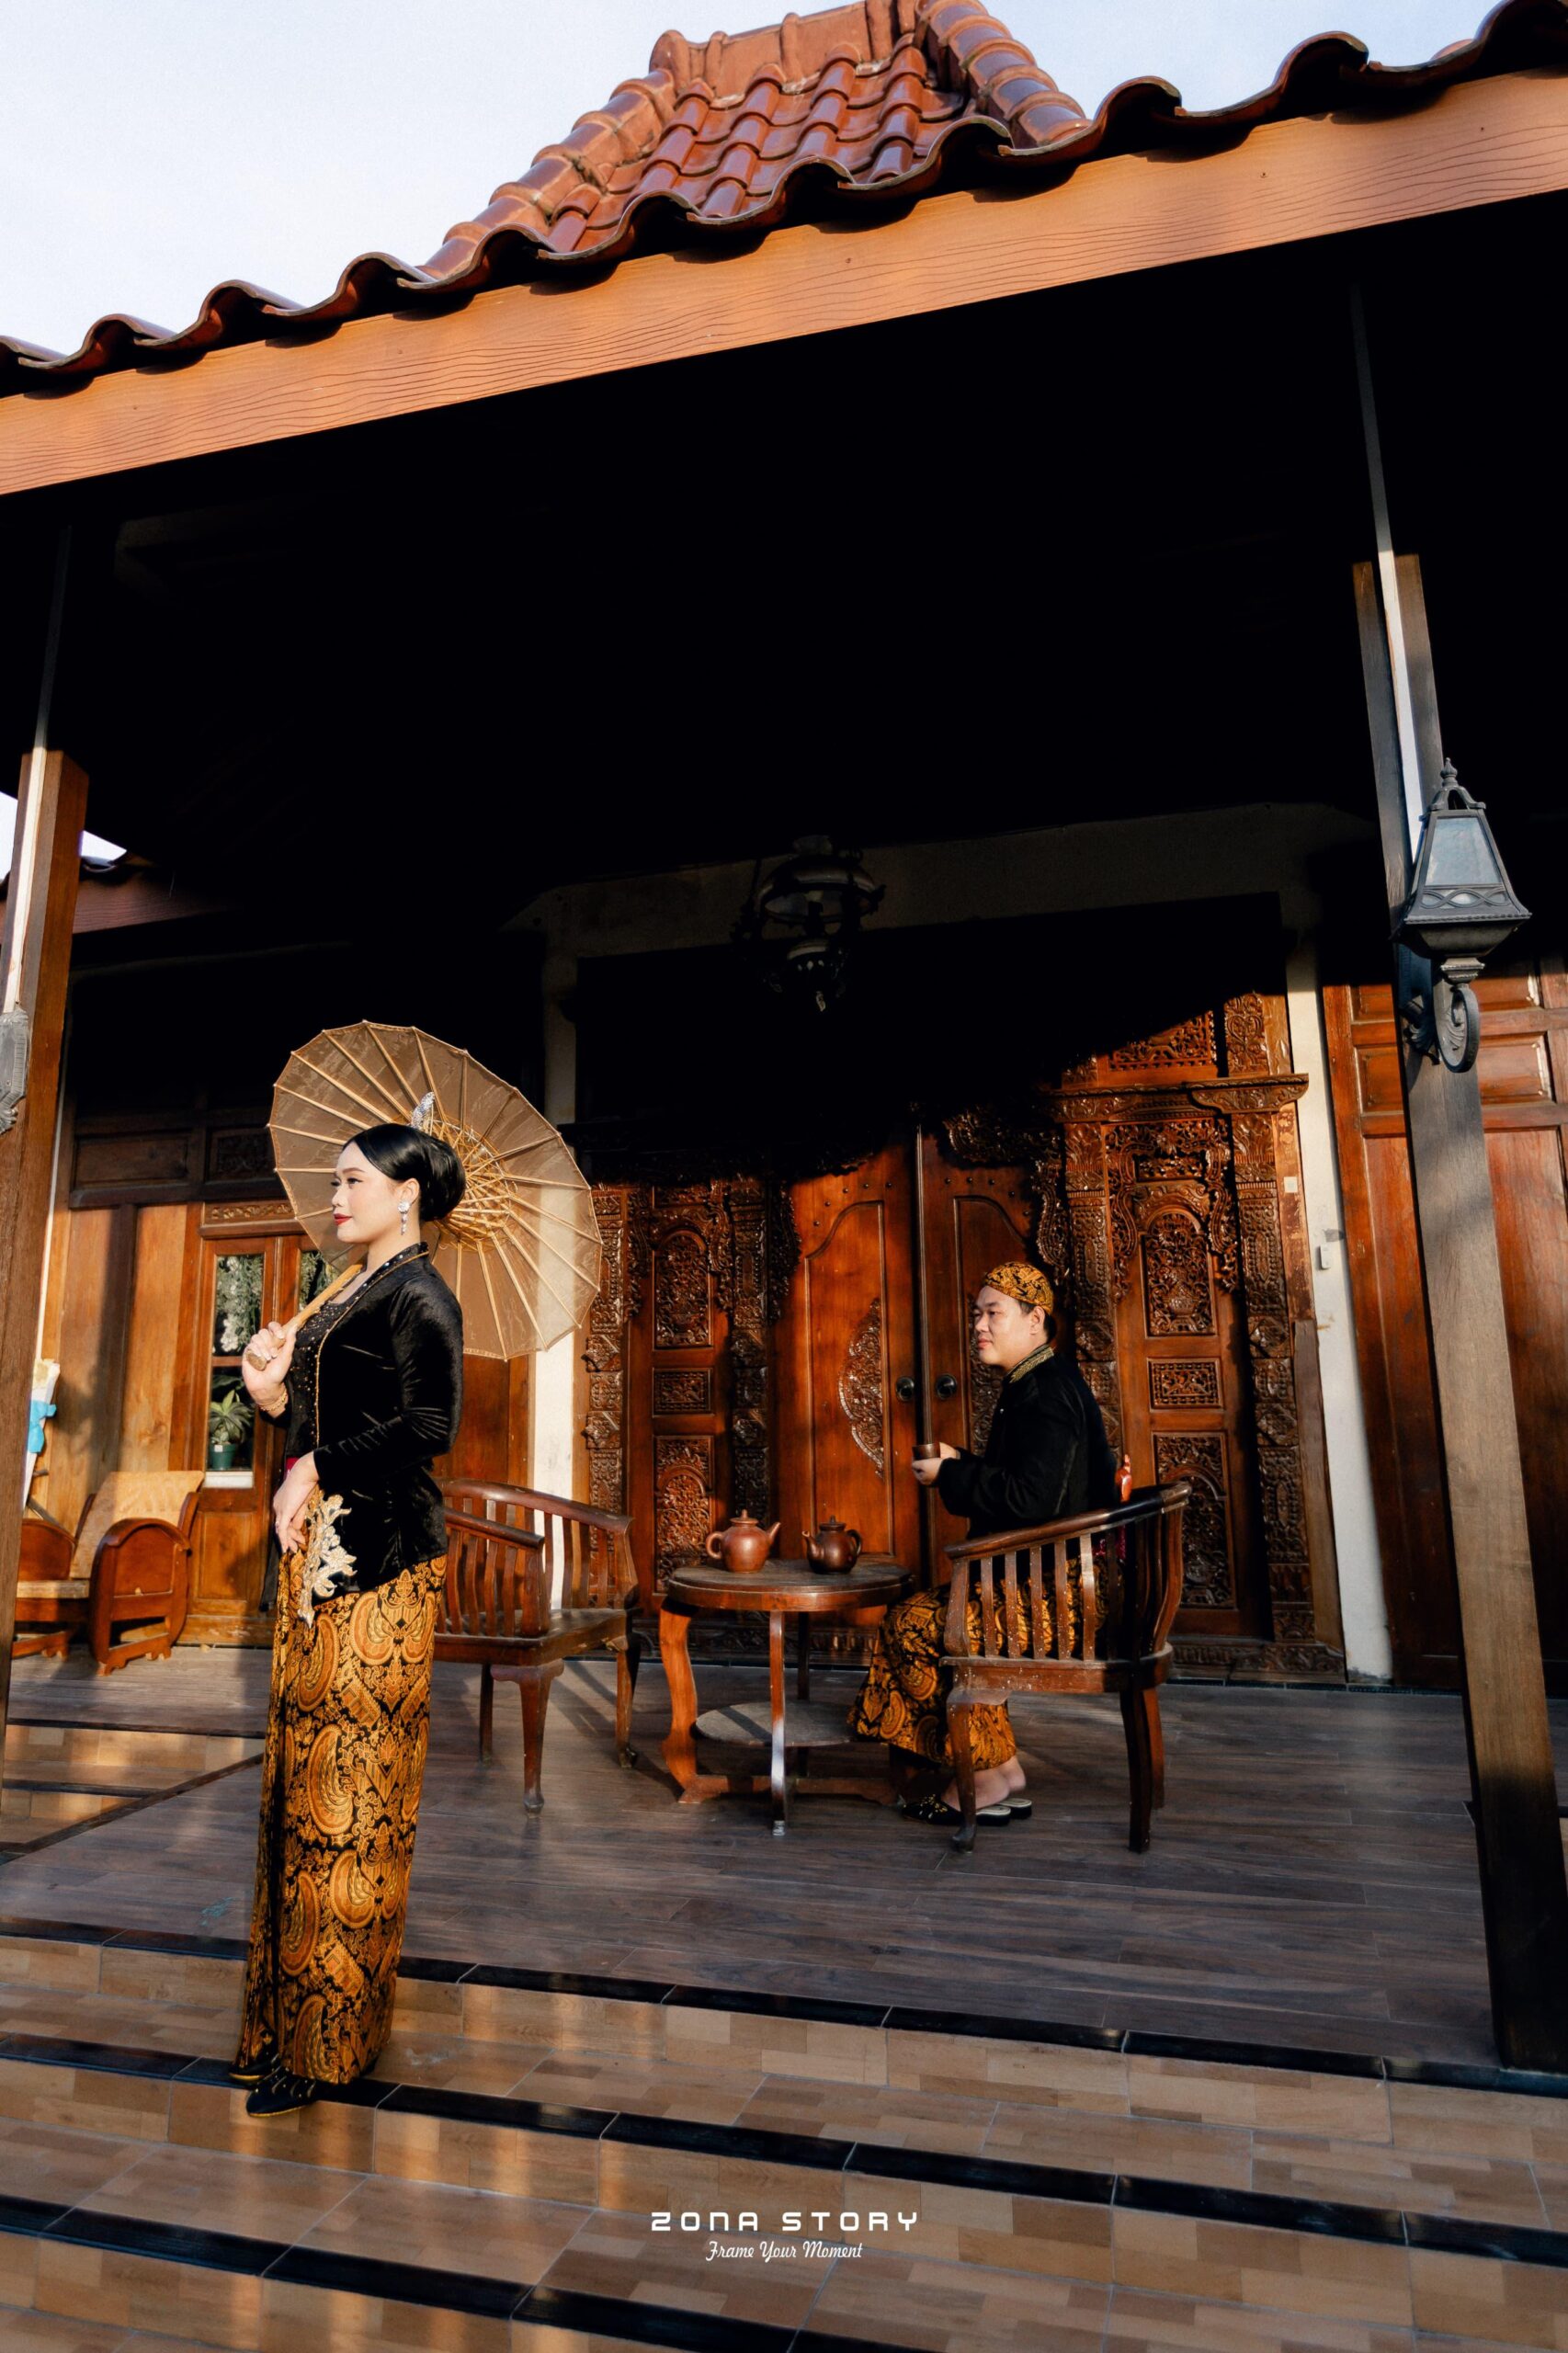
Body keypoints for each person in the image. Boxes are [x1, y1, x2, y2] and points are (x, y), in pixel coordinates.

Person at [231, 1121, 465, 2115]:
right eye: (336, 1180)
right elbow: (317, 1420)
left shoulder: (421, 1295)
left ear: (407, 1193)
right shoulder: (344, 1291)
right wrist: (270, 1395)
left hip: (381, 1569)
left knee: (352, 1806)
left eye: (354, 1180)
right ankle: (285, 2027)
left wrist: (315, 1465)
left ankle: (330, 2043)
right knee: (300, 1793)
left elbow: (429, 1426)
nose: (336, 1196)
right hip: (315, 1567)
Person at [849, 1261, 1119, 1827]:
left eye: (993, 1313)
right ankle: (1001, 1769)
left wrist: (950, 1475)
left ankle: (987, 1774)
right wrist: (962, 1463)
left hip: (1053, 1599)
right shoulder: (1037, 1381)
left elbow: (1030, 1502)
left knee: (912, 1625)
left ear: (1035, 1318)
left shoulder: (1046, 1394)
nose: (979, 1325)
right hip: (1039, 1580)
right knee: (922, 1615)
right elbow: (1034, 1488)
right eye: (977, 1313)